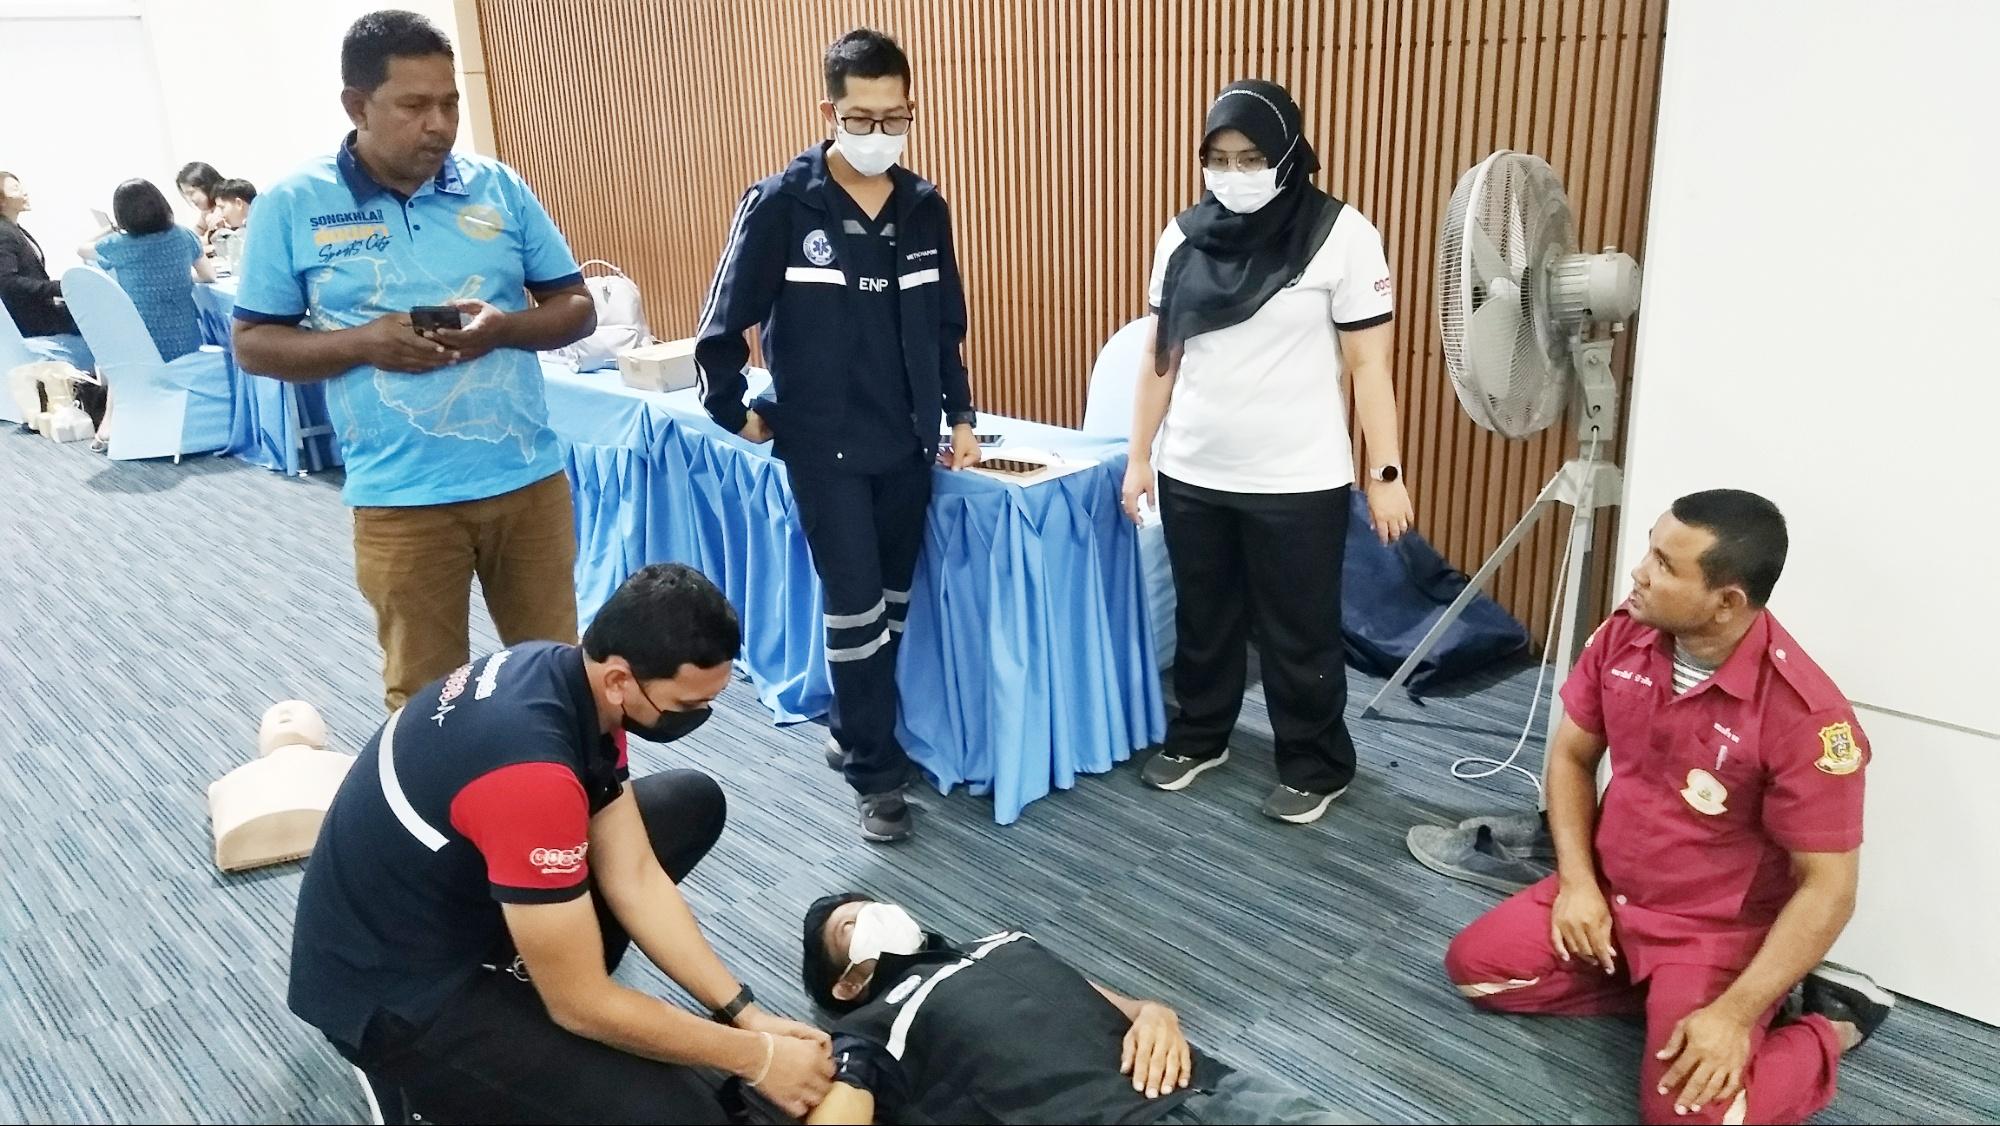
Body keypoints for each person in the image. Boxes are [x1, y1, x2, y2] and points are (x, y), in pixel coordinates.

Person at [290, 563, 836, 1124]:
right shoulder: (532, 776)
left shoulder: (572, 679)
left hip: (441, 899)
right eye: (685, 707)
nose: (697, 718)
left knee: (688, 802)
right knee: (687, 1117)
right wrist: (756, 1057)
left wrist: (745, 1014)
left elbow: (634, 874)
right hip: (392, 991)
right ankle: (424, 1081)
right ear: (620, 680)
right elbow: (580, 1004)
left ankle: (531, 996)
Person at [1443, 491, 1894, 1125]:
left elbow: (1830, 889)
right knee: (1477, 970)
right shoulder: (1624, 634)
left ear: (1726, 602)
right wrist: (1578, 884)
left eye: (1663, 564)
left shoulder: (1806, 717)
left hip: (1711, 931)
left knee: (1685, 1118)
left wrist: (1734, 1013)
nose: (1639, 573)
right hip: (1612, 892)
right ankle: (1660, 997)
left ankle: (1828, 1023)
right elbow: (1571, 758)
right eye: (1649, 550)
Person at [232, 9, 596, 712]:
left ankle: (568, 788)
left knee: (555, 681)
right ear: (357, 106)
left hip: (526, 482)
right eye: (415, 105)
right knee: (427, 701)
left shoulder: (496, 186)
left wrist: (504, 330)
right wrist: (363, 343)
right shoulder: (295, 203)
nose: (440, 125)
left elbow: (575, 306)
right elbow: (252, 343)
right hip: (400, 498)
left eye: (450, 103)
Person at [694, 28, 979, 844]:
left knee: (890, 609)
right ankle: (876, 778)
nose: (879, 132)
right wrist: (733, 409)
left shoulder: (924, 206)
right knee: (855, 611)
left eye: (894, 117)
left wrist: (959, 416)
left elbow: (944, 329)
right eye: (861, 117)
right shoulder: (783, 204)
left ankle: (856, 731)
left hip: (907, 445)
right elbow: (723, 324)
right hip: (825, 450)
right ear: (830, 112)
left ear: (911, 110)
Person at [1122, 80, 1412, 825]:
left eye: (1252, 157)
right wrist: (1139, 455)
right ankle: (1200, 736)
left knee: (1299, 632)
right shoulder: (1182, 236)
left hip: (1298, 477)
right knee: (1204, 619)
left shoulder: (1341, 235)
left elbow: (1370, 366)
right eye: (1218, 158)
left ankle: (1315, 764)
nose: (1234, 173)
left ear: (1287, 154)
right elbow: (1160, 355)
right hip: (1193, 469)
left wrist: (1386, 473)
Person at [797, 894, 1350, 1125]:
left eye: (872, 905)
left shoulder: (1000, 942)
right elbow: (847, 1099)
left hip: (1209, 1086)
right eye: (851, 926)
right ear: (845, 984)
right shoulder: (871, 1022)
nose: (874, 916)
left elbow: (1119, 1005)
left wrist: (1157, 1012)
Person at [81, 178, 212, 362]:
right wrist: (183, 277)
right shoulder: (184, 235)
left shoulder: (117, 245)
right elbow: (208, 275)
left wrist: (109, 228)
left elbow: (81, 249)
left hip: (142, 344)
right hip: (186, 342)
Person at [0, 170, 93, 372]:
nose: (24, 192)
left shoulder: (14, 229)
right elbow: (7, 283)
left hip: (41, 309)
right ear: (2, 201)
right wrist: (57, 288)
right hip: (32, 319)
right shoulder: (4, 233)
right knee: (92, 321)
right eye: (15, 189)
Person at [175, 161, 226, 247]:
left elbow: (213, 239)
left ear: (206, 185)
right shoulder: (207, 211)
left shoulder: (225, 204)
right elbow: (198, 230)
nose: (190, 199)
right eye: (186, 195)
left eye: (191, 193)